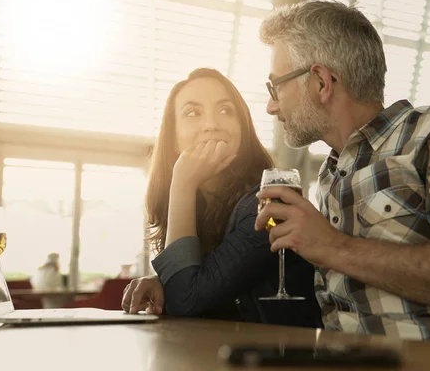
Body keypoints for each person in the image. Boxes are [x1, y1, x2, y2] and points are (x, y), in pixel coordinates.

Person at [255, 0, 430, 343]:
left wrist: (333, 246)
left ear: (321, 81)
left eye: (276, 87)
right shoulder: (330, 177)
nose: (271, 106)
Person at [122, 68, 321, 328]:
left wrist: (182, 181)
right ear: (172, 140)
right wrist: (164, 282)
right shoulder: (200, 210)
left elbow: (187, 300)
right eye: (193, 113)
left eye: (225, 110)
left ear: (243, 129)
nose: (211, 124)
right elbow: (206, 284)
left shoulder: (266, 204)